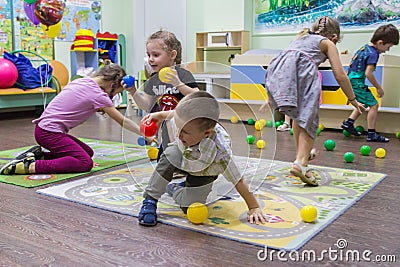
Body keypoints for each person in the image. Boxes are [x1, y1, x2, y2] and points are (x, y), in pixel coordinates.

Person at [260, 16, 365, 186]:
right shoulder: (327, 43)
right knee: (309, 118)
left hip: (279, 70)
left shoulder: (301, 38)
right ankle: (301, 163)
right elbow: (340, 75)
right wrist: (352, 99)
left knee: (298, 116)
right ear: (335, 37)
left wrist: (272, 95)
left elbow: (287, 65)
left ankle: (301, 158)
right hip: (303, 73)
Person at [137, 91, 268, 226]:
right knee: (171, 153)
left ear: (206, 133)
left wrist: (253, 207)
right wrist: (157, 115)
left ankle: (175, 188)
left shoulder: (220, 152)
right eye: (177, 126)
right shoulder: (183, 121)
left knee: (189, 206)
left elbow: (238, 180)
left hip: (203, 173)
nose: (178, 133)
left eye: (184, 132)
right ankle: (150, 200)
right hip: (182, 157)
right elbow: (175, 114)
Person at [0, 64, 148, 175]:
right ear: (111, 85)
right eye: (115, 93)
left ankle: (40, 155)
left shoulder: (82, 81)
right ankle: (29, 166)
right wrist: (144, 133)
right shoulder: (98, 95)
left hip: (44, 130)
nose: (111, 97)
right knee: (85, 163)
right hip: (50, 133)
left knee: (87, 152)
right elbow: (123, 121)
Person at [124, 30, 199, 158]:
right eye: (148, 55)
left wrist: (178, 83)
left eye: (156, 55)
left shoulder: (182, 74)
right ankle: (171, 159)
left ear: (172, 55)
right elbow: (145, 105)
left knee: (173, 131)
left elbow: (197, 97)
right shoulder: (153, 79)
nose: (150, 59)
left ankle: (182, 160)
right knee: (164, 157)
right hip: (164, 123)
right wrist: (133, 91)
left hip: (185, 123)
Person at [341, 24, 399, 142]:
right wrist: (379, 88)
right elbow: (369, 73)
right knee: (374, 105)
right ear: (380, 43)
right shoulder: (374, 53)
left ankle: (349, 123)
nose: (387, 50)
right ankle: (371, 133)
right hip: (356, 81)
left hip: (351, 79)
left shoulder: (365, 48)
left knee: (362, 102)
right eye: (388, 47)